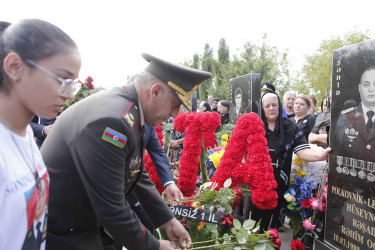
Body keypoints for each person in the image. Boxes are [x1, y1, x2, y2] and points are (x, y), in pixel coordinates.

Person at [41, 53, 211, 250]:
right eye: (175, 105)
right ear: (155, 92)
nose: (175, 114)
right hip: (64, 233)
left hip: (82, 226)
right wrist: (154, 246)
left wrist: (167, 220)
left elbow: (135, 171)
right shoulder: (113, 121)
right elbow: (112, 208)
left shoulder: (128, 110)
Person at [0, 19, 80, 250]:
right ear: (15, 67)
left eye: (74, 83)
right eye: (63, 80)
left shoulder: (24, 132)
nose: (70, 95)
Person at [243, 92, 330, 232]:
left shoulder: (290, 127)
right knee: (250, 224)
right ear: (262, 108)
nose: (271, 108)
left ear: (279, 106)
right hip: (254, 184)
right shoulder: (253, 127)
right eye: (267, 106)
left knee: (270, 227)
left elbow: (302, 151)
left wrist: (321, 156)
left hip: (277, 183)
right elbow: (241, 152)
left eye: (274, 105)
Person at [334, 66, 375, 162]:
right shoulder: (345, 117)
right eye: (366, 85)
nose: (371, 89)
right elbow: (337, 148)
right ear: (359, 88)